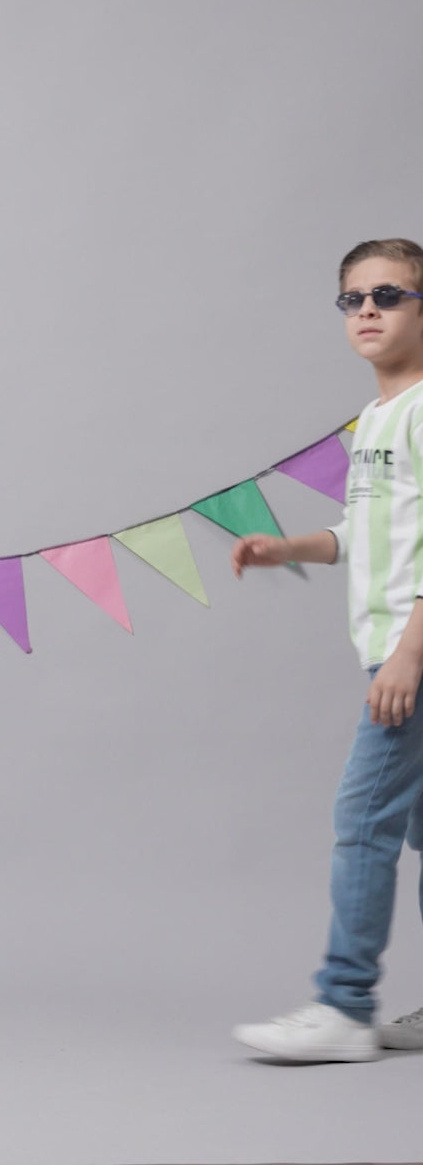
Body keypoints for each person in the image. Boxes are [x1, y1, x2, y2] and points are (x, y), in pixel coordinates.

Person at [231, 238, 423, 1062]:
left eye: (390, 294)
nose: (369, 310)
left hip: (412, 654)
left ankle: (344, 1007)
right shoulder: (377, 418)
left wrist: (409, 655)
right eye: (354, 299)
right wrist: (290, 547)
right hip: (395, 648)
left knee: (363, 820)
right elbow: (366, 531)